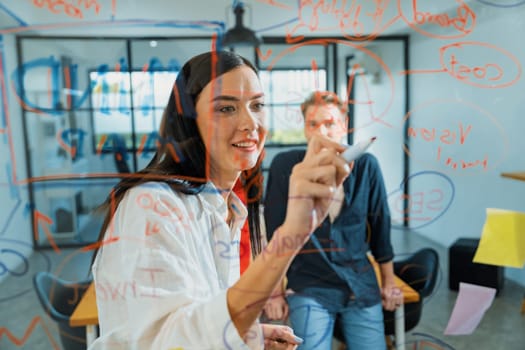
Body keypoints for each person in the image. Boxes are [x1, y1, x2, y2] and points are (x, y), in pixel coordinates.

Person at [89, 52, 351, 350]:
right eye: (226, 108)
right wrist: (290, 235)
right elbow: (170, 341)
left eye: (257, 105)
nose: (250, 122)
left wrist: (247, 336)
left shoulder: (228, 208)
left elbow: (199, 318)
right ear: (188, 122)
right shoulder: (150, 206)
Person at [263, 91, 402, 349]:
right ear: (304, 129)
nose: (321, 132)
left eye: (329, 123)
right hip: (309, 283)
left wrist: (389, 282)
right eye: (312, 124)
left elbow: (381, 229)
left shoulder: (366, 166)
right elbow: (275, 234)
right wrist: (274, 292)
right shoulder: (285, 166)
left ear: (344, 126)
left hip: (358, 282)